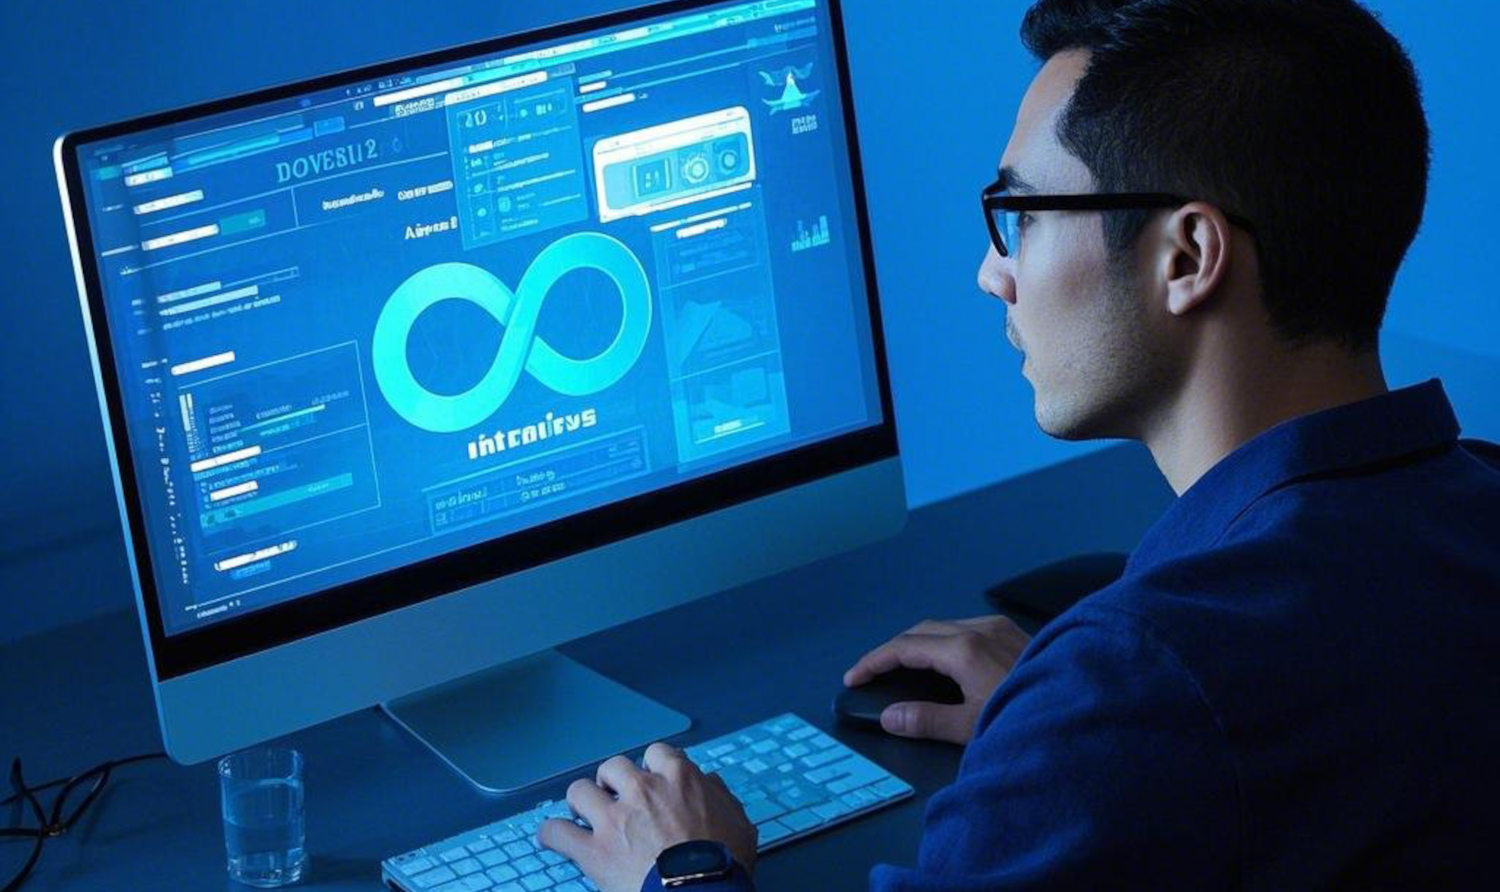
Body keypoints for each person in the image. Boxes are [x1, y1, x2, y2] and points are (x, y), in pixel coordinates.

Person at [538, 0, 1500, 888]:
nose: (993, 273)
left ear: (1187, 258)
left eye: (1025, 217)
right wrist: (1056, 727)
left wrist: (681, 869)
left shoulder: (1134, 684)